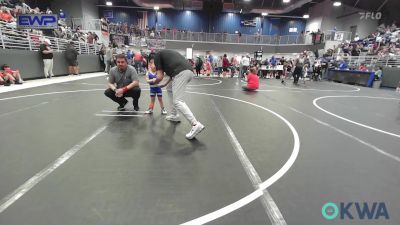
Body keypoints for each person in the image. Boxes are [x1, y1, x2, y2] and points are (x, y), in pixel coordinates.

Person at [152, 49, 205, 140]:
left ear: (152, 61)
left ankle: (195, 124)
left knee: (177, 101)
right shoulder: (165, 56)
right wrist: (165, 84)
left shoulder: (157, 57)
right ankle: (174, 115)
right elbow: (173, 74)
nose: (153, 68)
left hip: (181, 73)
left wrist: (152, 82)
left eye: (151, 65)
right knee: (169, 88)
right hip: (187, 72)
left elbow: (159, 77)